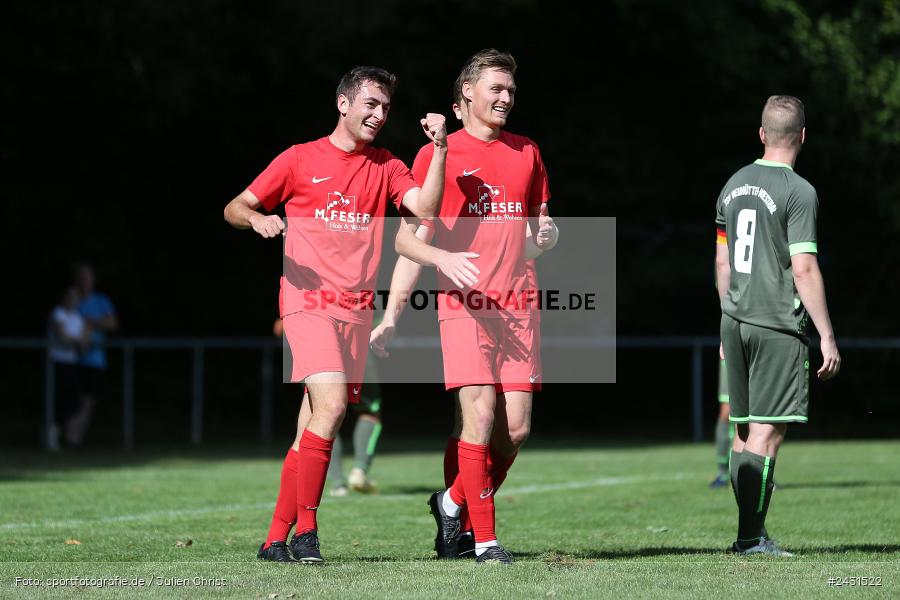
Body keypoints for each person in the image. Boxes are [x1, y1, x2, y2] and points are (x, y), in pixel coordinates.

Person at [224, 65, 460, 564]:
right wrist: (259, 217)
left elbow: (425, 206)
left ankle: (273, 542)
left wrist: (440, 149)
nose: (378, 114)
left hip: (354, 313)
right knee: (331, 407)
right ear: (344, 104)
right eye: (370, 104)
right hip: (305, 303)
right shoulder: (298, 158)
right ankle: (307, 534)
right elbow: (234, 207)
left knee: (311, 424)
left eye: (385, 108)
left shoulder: (387, 165)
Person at [389, 49, 558, 564]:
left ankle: (451, 502)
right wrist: (395, 311)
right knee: (479, 417)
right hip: (462, 305)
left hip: (518, 306)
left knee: (517, 430)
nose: (506, 98)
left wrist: (544, 238)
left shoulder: (527, 151)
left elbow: (532, 234)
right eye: (496, 89)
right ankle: (484, 542)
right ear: (467, 93)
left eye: (510, 90)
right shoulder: (439, 154)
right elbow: (407, 241)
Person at [715, 95, 840, 556]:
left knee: (743, 432)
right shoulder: (799, 191)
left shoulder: (732, 184)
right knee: (767, 432)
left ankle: (752, 533)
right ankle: (750, 539)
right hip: (777, 325)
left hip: (736, 320)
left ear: (762, 134)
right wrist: (826, 334)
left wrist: (728, 316)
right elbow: (804, 268)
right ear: (802, 136)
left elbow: (722, 259)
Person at [71, 263, 118, 447]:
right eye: (81, 277)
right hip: (72, 359)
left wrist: (90, 323)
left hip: (95, 360)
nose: (85, 281)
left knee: (88, 401)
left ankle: (75, 439)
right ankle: (68, 438)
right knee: (72, 400)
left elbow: (112, 323)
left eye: (88, 277)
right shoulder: (73, 300)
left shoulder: (101, 301)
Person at [47, 287, 91, 450]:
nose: (73, 300)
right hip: (56, 363)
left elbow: (84, 344)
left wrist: (80, 339)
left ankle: (62, 435)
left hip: (72, 363)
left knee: (74, 401)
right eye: (70, 297)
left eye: (76, 297)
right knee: (58, 399)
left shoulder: (78, 318)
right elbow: (62, 335)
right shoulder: (58, 312)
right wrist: (78, 339)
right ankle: (52, 436)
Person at [709, 355, 733, 488]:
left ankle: (762, 475)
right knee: (727, 411)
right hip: (734, 345)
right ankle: (723, 473)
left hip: (760, 346)